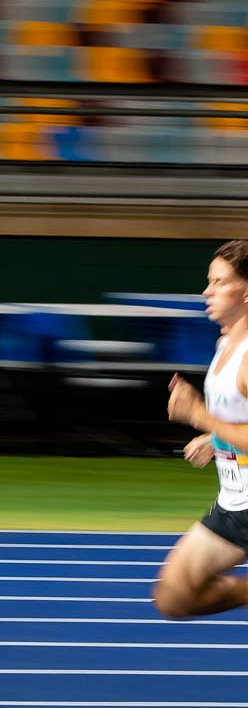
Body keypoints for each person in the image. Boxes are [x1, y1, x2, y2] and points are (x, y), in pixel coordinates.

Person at [156, 240, 248, 620]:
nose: (207, 291)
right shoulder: (226, 343)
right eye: (209, 281)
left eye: (219, 282)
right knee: (174, 597)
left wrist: (200, 416)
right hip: (235, 503)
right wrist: (215, 438)